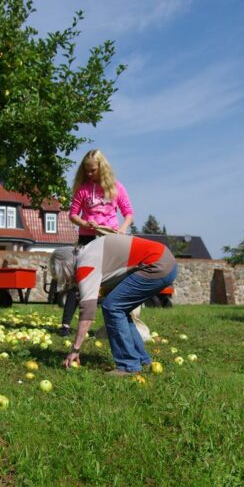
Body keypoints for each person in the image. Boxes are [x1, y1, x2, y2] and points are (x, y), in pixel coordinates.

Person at [50, 234, 176, 375]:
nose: (67, 280)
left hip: (157, 265)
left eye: (64, 276)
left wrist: (75, 349)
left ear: (65, 266)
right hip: (165, 261)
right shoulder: (89, 251)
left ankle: (128, 365)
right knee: (119, 308)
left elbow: (87, 313)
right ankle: (141, 359)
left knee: (112, 307)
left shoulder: (85, 263)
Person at [57, 150, 134, 337]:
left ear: (102, 167)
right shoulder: (83, 189)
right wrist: (85, 223)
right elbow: (73, 215)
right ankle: (66, 325)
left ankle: (120, 326)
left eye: (92, 170)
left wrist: (123, 229)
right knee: (79, 280)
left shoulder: (116, 188)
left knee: (116, 281)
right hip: (87, 238)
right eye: (87, 170)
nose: (89, 174)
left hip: (110, 238)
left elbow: (129, 213)